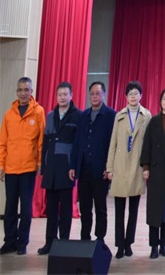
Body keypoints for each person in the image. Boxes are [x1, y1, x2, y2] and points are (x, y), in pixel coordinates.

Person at [106, 80, 151, 259]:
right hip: (120, 166)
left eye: (136, 93)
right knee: (119, 210)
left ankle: (129, 243)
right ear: (126, 97)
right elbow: (113, 142)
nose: (133, 97)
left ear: (141, 95)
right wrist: (109, 167)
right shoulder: (119, 116)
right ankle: (119, 244)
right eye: (130, 94)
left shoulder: (146, 115)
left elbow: (148, 144)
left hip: (137, 166)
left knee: (133, 209)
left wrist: (147, 166)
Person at [0, 77, 45, 256]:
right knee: (10, 207)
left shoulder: (38, 111)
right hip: (11, 168)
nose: (23, 93)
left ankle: (22, 242)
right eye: (20, 90)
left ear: (31, 91)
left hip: (28, 168)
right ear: (16, 92)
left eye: (26, 90)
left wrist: (40, 163)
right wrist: (1, 165)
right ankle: (9, 241)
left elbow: (41, 141)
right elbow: (3, 142)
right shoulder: (9, 114)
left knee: (26, 208)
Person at [70, 81, 116, 243]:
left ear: (103, 94)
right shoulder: (84, 115)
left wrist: (109, 167)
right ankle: (85, 238)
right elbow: (77, 142)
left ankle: (100, 239)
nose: (95, 96)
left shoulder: (111, 115)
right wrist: (73, 165)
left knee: (100, 207)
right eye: (92, 94)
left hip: (100, 170)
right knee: (85, 207)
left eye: (98, 93)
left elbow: (113, 144)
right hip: (84, 169)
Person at [38, 82, 80, 255]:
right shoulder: (50, 115)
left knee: (66, 209)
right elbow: (45, 143)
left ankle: (64, 243)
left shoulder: (78, 115)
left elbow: (78, 145)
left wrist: (74, 166)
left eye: (65, 94)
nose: (62, 97)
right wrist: (44, 167)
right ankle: (50, 242)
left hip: (67, 167)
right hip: (51, 167)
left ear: (71, 95)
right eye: (59, 94)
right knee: (51, 208)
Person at [140, 88, 165, 258]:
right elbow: (146, 145)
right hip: (155, 171)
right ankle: (154, 246)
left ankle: (164, 245)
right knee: (154, 210)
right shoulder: (153, 121)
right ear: (160, 101)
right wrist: (146, 167)